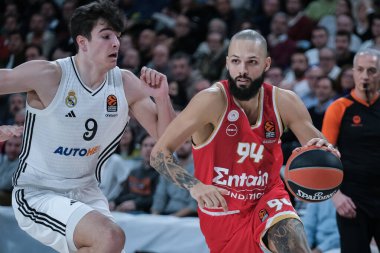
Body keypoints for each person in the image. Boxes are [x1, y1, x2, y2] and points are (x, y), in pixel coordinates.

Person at [0, 1, 175, 253]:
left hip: (87, 192)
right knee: (110, 238)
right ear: (82, 42)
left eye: (118, 36)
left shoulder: (126, 84)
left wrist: (162, 98)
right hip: (38, 192)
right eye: (106, 36)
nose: (115, 43)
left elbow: (166, 140)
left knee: (108, 243)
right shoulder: (49, 75)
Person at [150, 29, 338, 253]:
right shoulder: (210, 101)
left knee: (293, 242)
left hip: (268, 196)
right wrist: (194, 185)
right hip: (222, 212)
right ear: (228, 62)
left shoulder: (284, 102)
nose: (243, 70)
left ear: (267, 64)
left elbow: (317, 145)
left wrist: (327, 153)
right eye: (236, 61)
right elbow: (159, 153)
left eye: (252, 62)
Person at [322, 48, 380, 253]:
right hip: (352, 202)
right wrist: (336, 196)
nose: (365, 76)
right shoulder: (338, 108)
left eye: (372, 70)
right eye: (360, 69)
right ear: (353, 72)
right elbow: (322, 158)